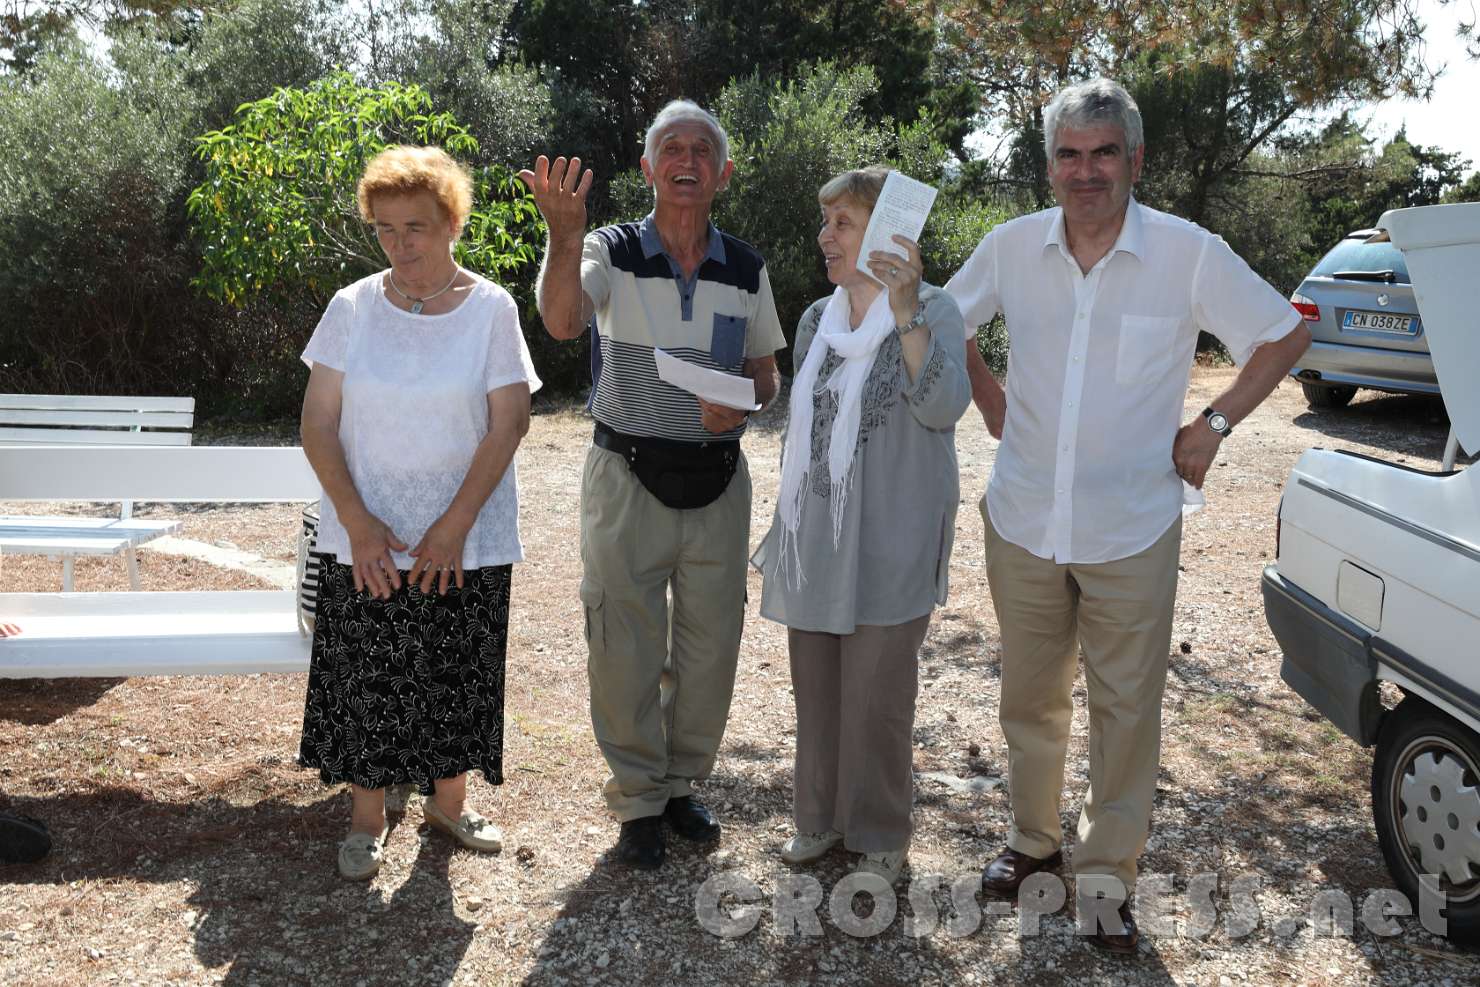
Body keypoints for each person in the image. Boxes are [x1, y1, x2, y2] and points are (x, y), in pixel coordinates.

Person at [946, 78, 1311, 952]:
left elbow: (1287, 329)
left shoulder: (1187, 254)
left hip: (1133, 528)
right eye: (1069, 154)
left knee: (1125, 711)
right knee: (1029, 699)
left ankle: (1108, 881)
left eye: (1104, 151)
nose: (1087, 170)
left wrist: (1215, 422)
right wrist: (990, 397)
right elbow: (936, 317)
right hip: (1026, 518)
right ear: (1047, 167)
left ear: (1136, 160)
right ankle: (1034, 846)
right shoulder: (1008, 248)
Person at [520, 100, 785, 870]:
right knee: (624, 642)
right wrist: (562, 236)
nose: (688, 159)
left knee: (710, 648)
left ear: (723, 173)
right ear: (647, 168)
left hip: (718, 478)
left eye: (704, 149)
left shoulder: (747, 268)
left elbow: (766, 377)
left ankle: (679, 786)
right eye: (672, 147)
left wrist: (739, 395)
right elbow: (565, 321)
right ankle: (637, 799)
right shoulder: (607, 248)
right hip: (626, 471)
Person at [297, 144, 541, 881]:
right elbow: (317, 422)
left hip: (464, 531)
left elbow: (510, 422)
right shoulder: (351, 307)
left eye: (417, 227)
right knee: (369, 671)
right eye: (386, 228)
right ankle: (367, 818)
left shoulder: (492, 309)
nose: (401, 244)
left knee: (456, 667)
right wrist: (359, 520)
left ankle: (447, 802)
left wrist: (455, 524)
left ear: (451, 223)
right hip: (365, 530)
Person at [751, 167, 970, 886]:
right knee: (815, 686)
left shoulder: (936, 308)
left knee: (877, 694)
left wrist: (904, 311)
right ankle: (818, 819)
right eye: (827, 222)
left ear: (884, 232)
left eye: (842, 223)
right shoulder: (818, 318)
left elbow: (942, 406)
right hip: (818, 534)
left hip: (894, 533)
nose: (825, 237)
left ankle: (878, 828)